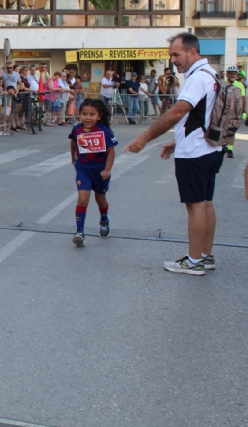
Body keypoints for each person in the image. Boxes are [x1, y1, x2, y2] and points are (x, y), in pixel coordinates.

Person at [123, 33, 224, 276]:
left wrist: (145, 138)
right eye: (171, 55)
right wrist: (175, 142)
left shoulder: (197, 78)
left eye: (176, 54)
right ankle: (205, 256)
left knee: (195, 206)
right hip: (210, 148)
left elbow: (178, 113)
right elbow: (201, 117)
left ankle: (194, 260)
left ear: (192, 52)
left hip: (196, 153)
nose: (173, 61)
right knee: (206, 203)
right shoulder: (212, 75)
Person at [69, 98, 117, 246]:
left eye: (92, 114)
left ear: (99, 116)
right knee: (83, 199)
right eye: (84, 114)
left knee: (100, 200)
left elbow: (111, 152)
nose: (88, 118)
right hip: (83, 169)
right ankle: (79, 232)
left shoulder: (104, 131)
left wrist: (107, 169)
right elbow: (73, 141)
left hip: (100, 171)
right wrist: (73, 156)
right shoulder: (77, 129)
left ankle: (104, 219)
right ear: (79, 115)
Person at [225, 66, 245, 158]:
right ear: (227, 74)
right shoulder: (222, 83)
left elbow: (243, 99)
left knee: (231, 131)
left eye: (234, 73)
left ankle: (230, 149)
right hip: (223, 112)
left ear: (237, 75)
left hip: (235, 113)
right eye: (231, 73)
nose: (232, 75)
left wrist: (244, 111)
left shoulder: (240, 85)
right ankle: (222, 146)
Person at [1, 62, 21, 132]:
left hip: (14, 93)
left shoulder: (16, 74)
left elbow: (20, 83)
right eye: (7, 68)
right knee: (6, 112)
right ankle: (5, 127)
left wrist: (17, 90)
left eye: (11, 68)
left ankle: (9, 126)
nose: (9, 69)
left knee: (12, 111)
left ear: (13, 67)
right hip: (7, 94)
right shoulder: (3, 73)